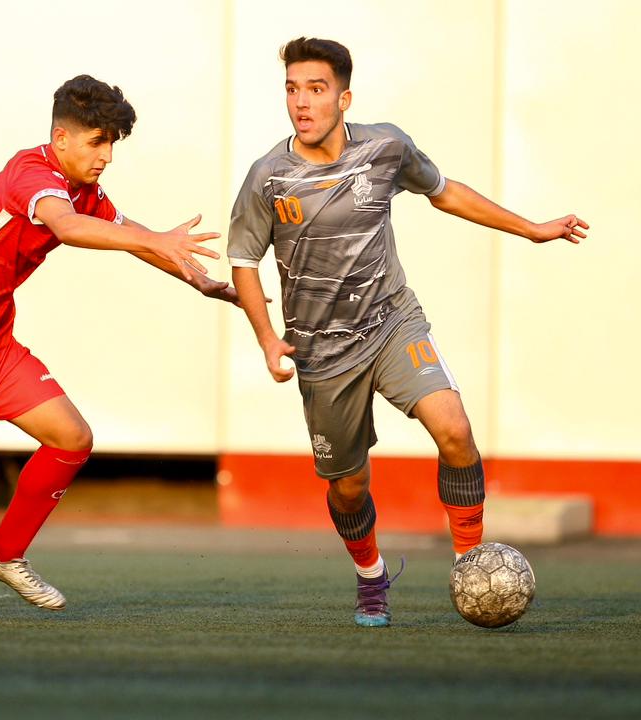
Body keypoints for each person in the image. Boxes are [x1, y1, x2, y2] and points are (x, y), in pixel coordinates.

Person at [228, 37, 588, 627]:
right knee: (348, 487)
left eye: (316, 89)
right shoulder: (268, 177)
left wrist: (531, 229)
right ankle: (371, 575)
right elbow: (243, 261)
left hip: (393, 321)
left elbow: (444, 192)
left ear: (344, 98)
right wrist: (268, 339)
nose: (301, 103)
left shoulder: (386, 147)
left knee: (455, 429)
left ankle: (471, 564)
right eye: (292, 89)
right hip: (322, 351)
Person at [0, 74, 236, 621]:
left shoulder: (82, 187)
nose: (107, 156)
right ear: (61, 137)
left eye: (112, 143)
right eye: (97, 142)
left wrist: (198, 280)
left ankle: (5, 553)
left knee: (72, 438)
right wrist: (155, 239)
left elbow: (129, 235)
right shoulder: (33, 175)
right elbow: (67, 227)